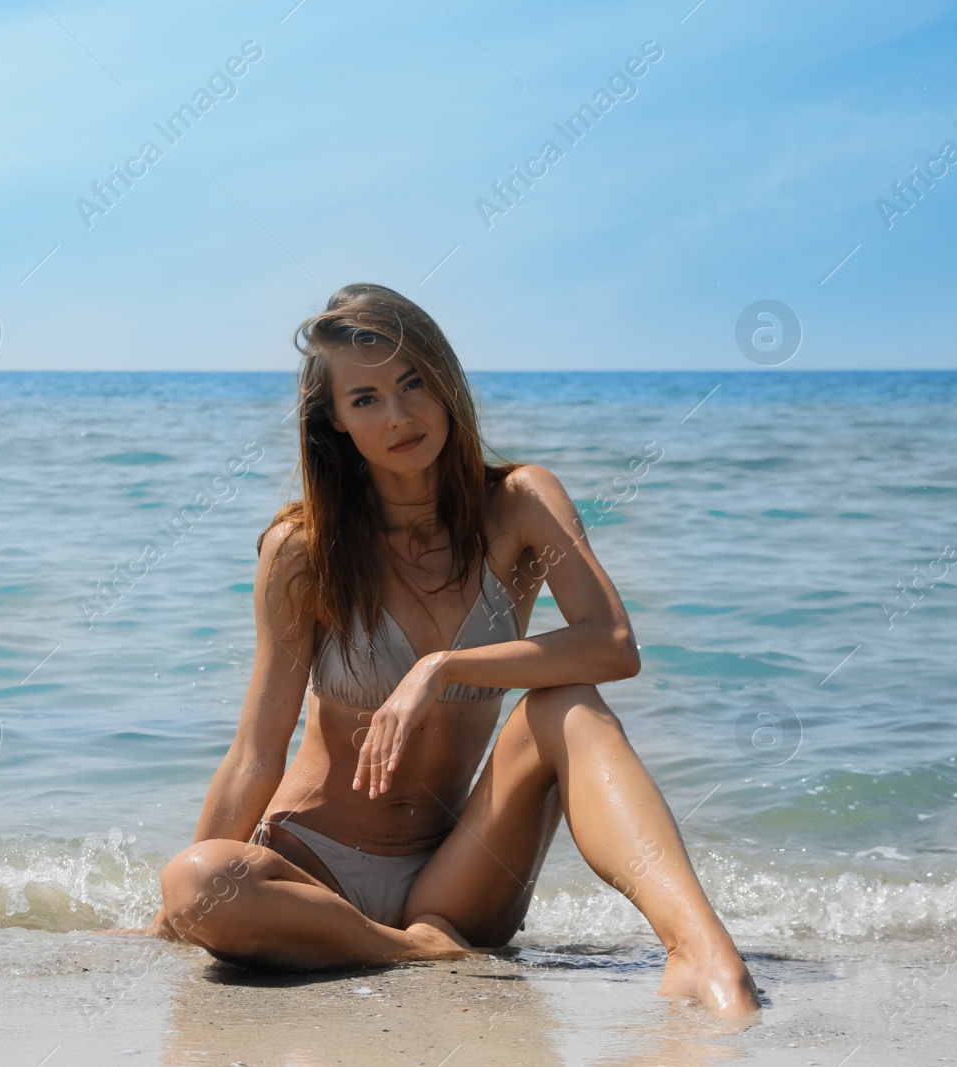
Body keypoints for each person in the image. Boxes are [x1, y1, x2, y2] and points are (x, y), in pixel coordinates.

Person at [144, 283, 760, 1017]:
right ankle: (403, 948)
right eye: (366, 398)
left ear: (445, 381)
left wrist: (443, 667)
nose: (399, 415)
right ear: (334, 420)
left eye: (413, 383)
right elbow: (257, 749)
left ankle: (699, 947)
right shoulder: (304, 550)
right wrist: (173, 918)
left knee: (568, 702)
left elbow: (613, 645)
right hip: (312, 871)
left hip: (456, 876)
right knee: (193, 880)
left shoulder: (520, 505)